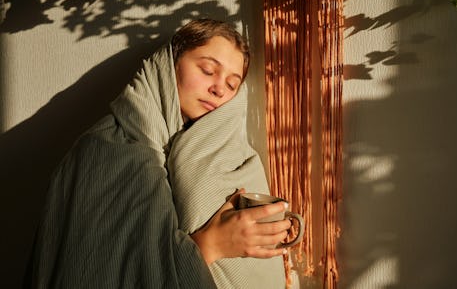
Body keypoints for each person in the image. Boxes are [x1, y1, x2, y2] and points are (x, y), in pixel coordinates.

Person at [26, 19, 290, 288]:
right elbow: (97, 273)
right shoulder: (112, 149)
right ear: (169, 64)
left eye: (232, 85)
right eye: (208, 69)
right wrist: (210, 246)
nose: (219, 89)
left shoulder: (199, 157)